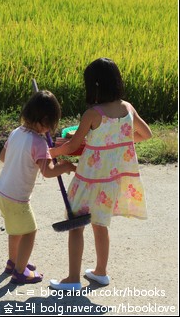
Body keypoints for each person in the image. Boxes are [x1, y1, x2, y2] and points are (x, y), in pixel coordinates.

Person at [49, 58, 152, 290]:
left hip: (88, 181)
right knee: (100, 225)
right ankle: (100, 272)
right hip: (110, 183)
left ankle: (72, 279)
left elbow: (72, 145)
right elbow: (146, 134)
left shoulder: (92, 114)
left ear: (94, 85)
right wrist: (119, 142)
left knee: (76, 225)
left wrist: (53, 151)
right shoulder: (128, 108)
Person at [0, 90, 76, 284]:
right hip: (17, 199)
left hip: (1, 192)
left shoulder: (16, 132)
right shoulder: (39, 142)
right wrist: (65, 166)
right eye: (51, 125)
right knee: (30, 232)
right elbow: (48, 172)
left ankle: (13, 262)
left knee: (16, 230)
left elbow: (2, 157)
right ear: (44, 121)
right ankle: (20, 272)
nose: (50, 130)